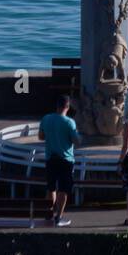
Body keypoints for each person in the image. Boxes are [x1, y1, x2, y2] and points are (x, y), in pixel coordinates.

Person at [38, 94, 78, 226]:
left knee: (51, 188)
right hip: (65, 159)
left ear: (57, 105)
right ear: (68, 106)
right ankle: (59, 216)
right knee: (63, 189)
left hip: (50, 157)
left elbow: (41, 136)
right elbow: (75, 140)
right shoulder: (69, 122)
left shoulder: (46, 119)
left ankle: (49, 214)